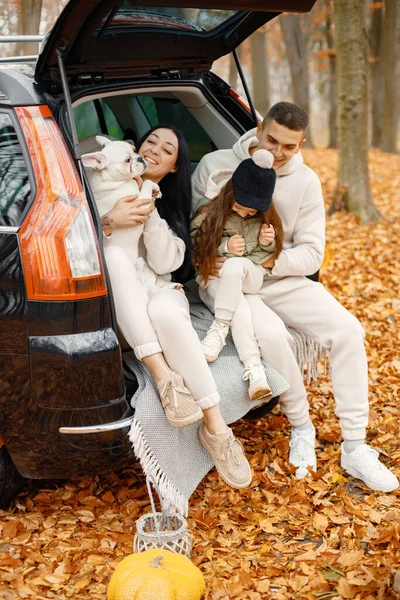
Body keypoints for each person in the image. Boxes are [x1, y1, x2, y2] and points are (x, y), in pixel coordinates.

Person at [192, 102, 399, 493]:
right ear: (258, 129)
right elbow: (196, 229)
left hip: (279, 276)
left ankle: (355, 446)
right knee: (272, 336)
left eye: (291, 145)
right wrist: (214, 257)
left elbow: (312, 253)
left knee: (349, 330)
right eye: (272, 139)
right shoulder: (216, 166)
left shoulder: (306, 180)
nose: (279, 150)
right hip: (228, 279)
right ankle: (301, 427)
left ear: (301, 143)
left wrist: (266, 264)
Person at [100, 125, 252, 489]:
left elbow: (167, 263)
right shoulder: (101, 181)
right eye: (150, 141)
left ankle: (216, 428)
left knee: (166, 312)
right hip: (122, 298)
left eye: (167, 150)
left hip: (159, 286)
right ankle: (165, 378)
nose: (154, 150)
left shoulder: (167, 204)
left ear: (172, 168)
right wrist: (108, 222)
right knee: (115, 258)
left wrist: (148, 209)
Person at [191, 149, 284, 404]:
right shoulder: (208, 212)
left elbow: (267, 259)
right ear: (230, 194)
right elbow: (196, 248)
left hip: (249, 278)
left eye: (251, 212)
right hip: (216, 279)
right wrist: (223, 247)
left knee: (236, 267)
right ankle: (256, 373)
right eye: (240, 208)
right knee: (240, 310)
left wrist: (267, 242)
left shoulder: (263, 220)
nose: (245, 214)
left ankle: (219, 329)